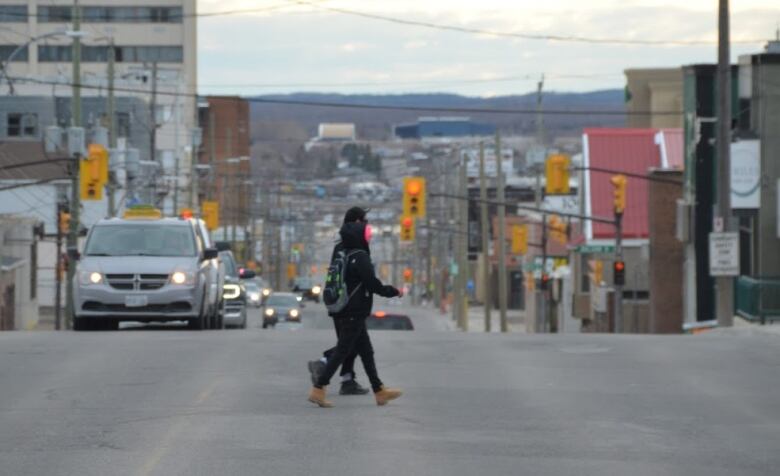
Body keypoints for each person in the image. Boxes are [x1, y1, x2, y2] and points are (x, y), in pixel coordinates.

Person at [307, 210, 403, 408]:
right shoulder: (360, 256)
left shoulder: (342, 252)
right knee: (343, 350)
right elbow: (372, 284)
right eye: (367, 231)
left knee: (366, 352)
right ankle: (319, 387)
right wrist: (393, 291)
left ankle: (379, 391)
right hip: (354, 311)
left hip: (344, 308)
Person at [308, 207, 370, 396]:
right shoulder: (354, 247)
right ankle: (324, 363)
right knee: (350, 343)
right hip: (349, 304)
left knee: (350, 343)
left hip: (338, 302)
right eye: (363, 221)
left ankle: (347, 380)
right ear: (356, 222)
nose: (366, 225)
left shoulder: (340, 245)